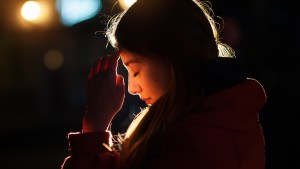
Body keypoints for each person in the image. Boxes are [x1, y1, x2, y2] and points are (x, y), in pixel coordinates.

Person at [61, 0, 267, 169]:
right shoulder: (216, 117)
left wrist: (95, 126)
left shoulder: (195, 143)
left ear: (171, 59)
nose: (132, 87)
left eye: (135, 70)